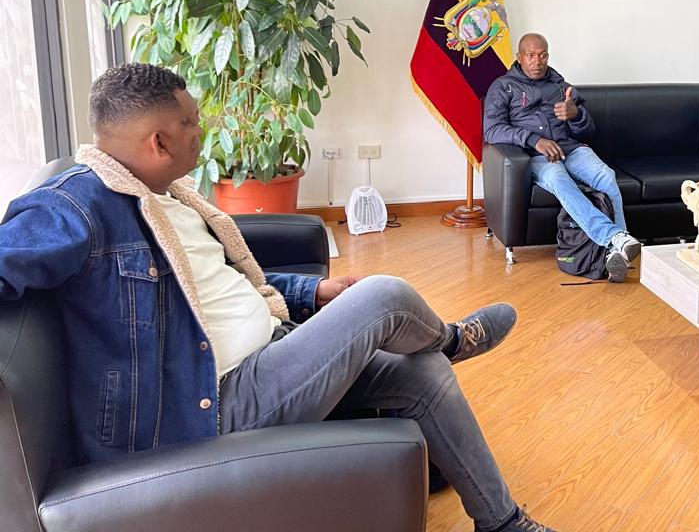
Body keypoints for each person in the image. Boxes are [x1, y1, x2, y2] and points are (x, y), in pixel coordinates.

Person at [0, 64, 556, 532]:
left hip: (269, 351)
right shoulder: (74, 205)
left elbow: (216, 286)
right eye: (190, 122)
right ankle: (453, 339)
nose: (202, 130)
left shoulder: (167, 195)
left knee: (421, 371)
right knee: (385, 299)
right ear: (158, 142)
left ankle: (502, 523)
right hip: (212, 405)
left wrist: (311, 289)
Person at [484, 32, 640, 281]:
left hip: (571, 149)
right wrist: (534, 140)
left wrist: (576, 115)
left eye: (542, 55)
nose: (537, 61)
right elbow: (492, 130)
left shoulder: (561, 87)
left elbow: (587, 131)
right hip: (535, 155)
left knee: (606, 175)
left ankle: (618, 250)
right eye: (531, 55)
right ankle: (614, 238)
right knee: (557, 178)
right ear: (519, 57)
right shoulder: (503, 87)